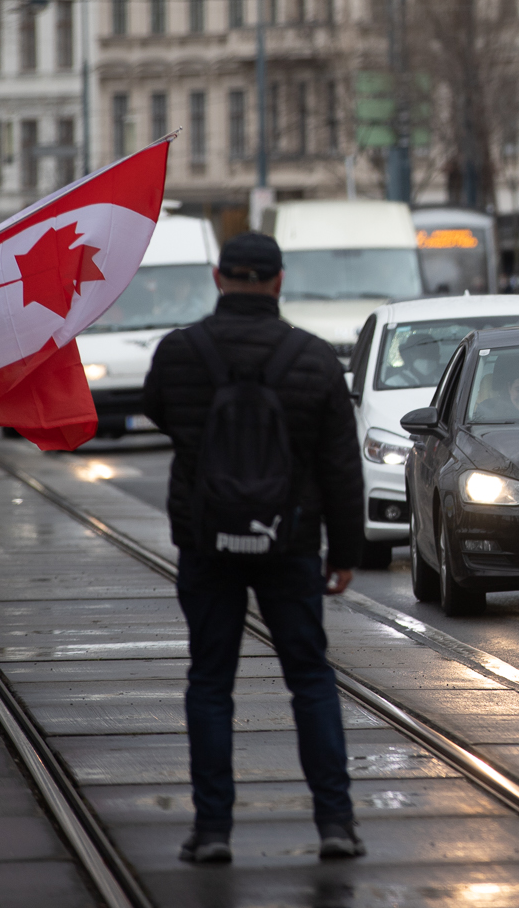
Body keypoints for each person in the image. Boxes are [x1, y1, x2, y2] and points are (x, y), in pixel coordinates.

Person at [140, 233, 366, 866]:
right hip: (289, 541)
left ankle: (211, 830)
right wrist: (344, 552)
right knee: (311, 679)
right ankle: (336, 824)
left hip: (205, 540)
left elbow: (160, 410)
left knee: (210, 682)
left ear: (218, 278)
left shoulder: (180, 352)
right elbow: (340, 466)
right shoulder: (316, 359)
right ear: (278, 281)